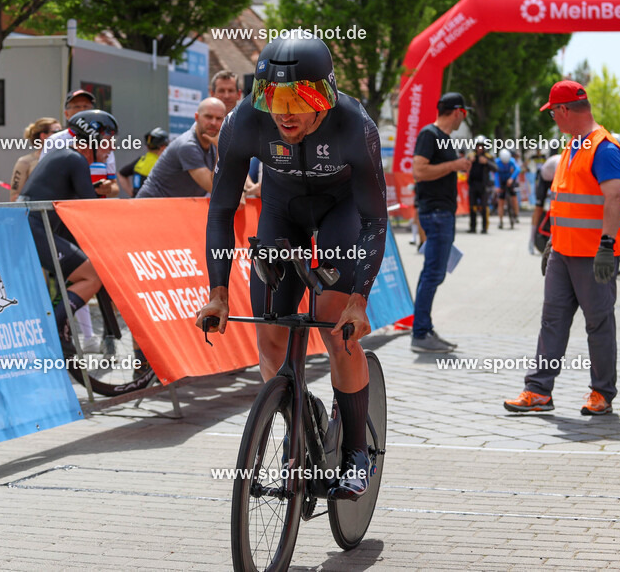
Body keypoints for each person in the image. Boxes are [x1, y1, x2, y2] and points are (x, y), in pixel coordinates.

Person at [196, 36, 388, 500]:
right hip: (282, 210)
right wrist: (217, 292)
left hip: (341, 212)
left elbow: (374, 218)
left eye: (299, 98)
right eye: (274, 97)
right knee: (270, 334)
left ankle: (357, 452)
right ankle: (296, 424)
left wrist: (359, 301)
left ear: (325, 94)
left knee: (334, 324)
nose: (285, 112)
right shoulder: (244, 119)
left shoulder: (353, 124)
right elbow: (221, 211)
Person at [504, 80, 620, 416]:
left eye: (553, 113)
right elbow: (568, 203)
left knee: (598, 323)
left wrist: (606, 246)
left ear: (563, 110)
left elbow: (614, 197)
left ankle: (602, 393)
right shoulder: (574, 146)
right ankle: (538, 390)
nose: (553, 120)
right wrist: (553, 244)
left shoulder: (605, 148)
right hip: (563, 253)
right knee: (552, 320)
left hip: (594, 255)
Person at [17, 110, 118, 352]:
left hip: (31, 226)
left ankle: (55, 330)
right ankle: (54, 333)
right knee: (91, 276)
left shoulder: (66, 156)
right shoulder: (75, 159)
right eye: (107, 140)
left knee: (78, 274)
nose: (112, 147)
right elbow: (90, 209)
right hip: (34, 228)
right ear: (91, 140)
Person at [410, 92, 472, 352]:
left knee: (434, 273)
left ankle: (424, 329)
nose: (463, 119)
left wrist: (457, 166)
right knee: (432, 273)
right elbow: (418, 170)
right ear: (457, 112)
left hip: (443, 213)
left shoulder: (444, 139)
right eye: (464, 114)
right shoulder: (430, 134)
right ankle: (421, 332)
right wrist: (453, 165)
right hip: (435, 213)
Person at [136, 98, 226, 198]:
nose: (213, 122)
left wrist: (245, 188)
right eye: (208, 117)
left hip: (174, 208)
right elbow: (214, 188)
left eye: (219, 118)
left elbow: (231, 179)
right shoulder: (188, 145)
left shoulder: (213, 145)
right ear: (196, 117)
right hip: (151, 206)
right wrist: (220, 147)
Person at [40, 89, 120, 198]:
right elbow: (44, 179)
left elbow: (114, 186)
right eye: (77, 106)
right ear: (66, 114)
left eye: (86, 107)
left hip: (96, 208)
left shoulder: (102, 142)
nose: (82, 110)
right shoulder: (54, 140)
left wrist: (108, 189)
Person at [10, 118, 61, 198]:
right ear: (43, 136)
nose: (62, 135)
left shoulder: (68, 159)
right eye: (57, 132)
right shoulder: (25, 162)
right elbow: (15, 195)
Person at [118, 127, 170, 197]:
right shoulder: (163, 164)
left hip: (136, 203)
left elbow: (121, 174)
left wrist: (133, 194)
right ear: (163, 147)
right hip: (153, 204)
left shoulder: (140, 161)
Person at [467, 136, 496, 233]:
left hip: (484, 186)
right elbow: (463, 167)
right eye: (478, 146)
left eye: (481, 146)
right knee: (472, 206)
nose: (479, 148)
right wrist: (469, 162)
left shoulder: (488, 157)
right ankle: (472, 227)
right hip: (473, 184)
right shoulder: (471, 156)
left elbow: (495, 168)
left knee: (484, 207)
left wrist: (487, 162)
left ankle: (484, 227)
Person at [531, 150, 561, 236]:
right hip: (543, 179)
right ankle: (532, 238)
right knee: (538, 208)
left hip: (552, 177)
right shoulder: (559, 164)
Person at [494, 148, 521, 229]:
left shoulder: (512, 161)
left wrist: (512, 178)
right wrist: (497, 186)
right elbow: (496, 175)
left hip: (510, 180)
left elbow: (517, 169)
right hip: (501, 181)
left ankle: (516, 214)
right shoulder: (497, 162)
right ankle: (500, 221)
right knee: (501, 201)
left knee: (514, 198)